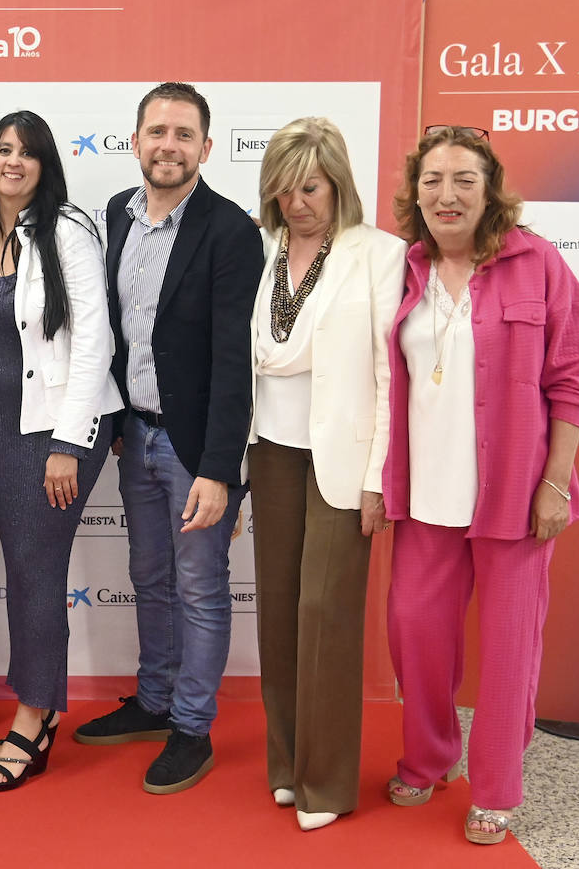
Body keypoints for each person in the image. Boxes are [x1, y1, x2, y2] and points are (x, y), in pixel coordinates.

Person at [383, 126, 579, 845]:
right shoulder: (403, 267)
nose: (447, 194)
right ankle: (429, 756)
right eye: (434, 180)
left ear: (490, 190)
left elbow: (572, 376)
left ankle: (499, 786)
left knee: (509, 649)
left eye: (463, 180)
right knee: (417, 631)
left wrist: (555, 485)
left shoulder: (536, 263)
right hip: (425, 498)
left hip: (514, 493)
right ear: (416, 191)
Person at [75, 82, 263, 795]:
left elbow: (233, 361)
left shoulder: (230, 230)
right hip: (137, 438)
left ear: (206, 148)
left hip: (195, 452)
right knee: (149, 578)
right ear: (136, 140)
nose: (169, 145)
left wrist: (220, 469)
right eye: (157, 131)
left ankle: (191, 726)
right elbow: (118, 334)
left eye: (184, 134)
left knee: (200, 588)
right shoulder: (118, 219)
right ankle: (153, 701)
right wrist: (121, 424)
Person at [246, 117, 405, 830]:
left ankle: (328, 783)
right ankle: (287, 764)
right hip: (270, 449)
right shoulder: (261, 247)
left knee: (326, 615)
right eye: (283, 190)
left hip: (343, 459)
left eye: (309, 188)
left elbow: (387, 372)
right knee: (278, 613)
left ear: (337, 183)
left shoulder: (379, 254)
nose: (296, 203)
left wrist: (380, 474)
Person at [0, 110, 123, 791]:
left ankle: (32, 715)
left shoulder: (67, 231)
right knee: (27, 567)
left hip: (58, 429)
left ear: (46, 164)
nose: (14, 162)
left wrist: (67, 442)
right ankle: (41, 701)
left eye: (27, 152)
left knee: (35, 565)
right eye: (3, 149)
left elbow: (94, 341)